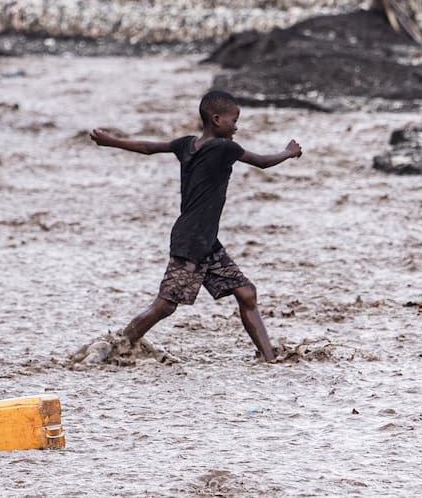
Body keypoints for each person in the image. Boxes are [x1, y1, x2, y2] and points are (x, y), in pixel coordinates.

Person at [89, 90, 303, 362]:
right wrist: (288, 152)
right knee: (165, 305)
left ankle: (270, 359)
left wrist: (112, 141)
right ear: (216, 119)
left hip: (206, 241)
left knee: (246, 293)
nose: (236, 126)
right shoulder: (225, 148)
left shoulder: (186, 144)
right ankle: (115, 348)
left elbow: (148, 148)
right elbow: (261, 162)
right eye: (233, 120)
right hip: (192, 241)